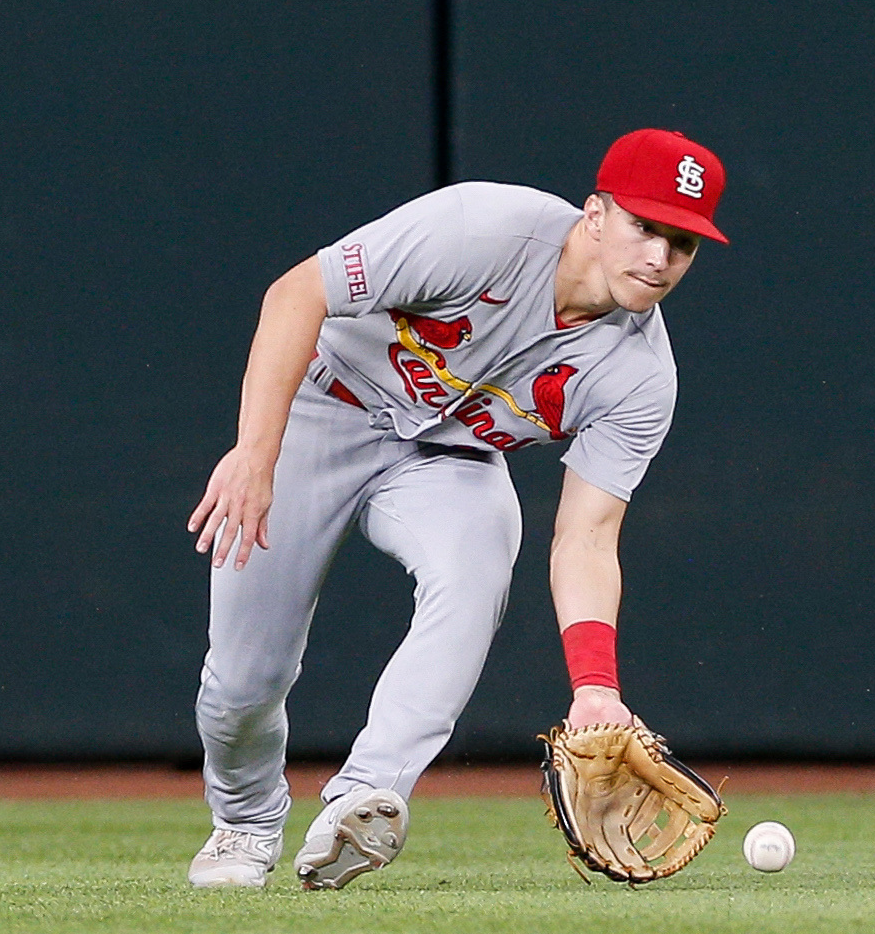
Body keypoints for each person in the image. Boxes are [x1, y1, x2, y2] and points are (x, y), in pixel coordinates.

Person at [183, 128, 729, 889]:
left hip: (449, 459)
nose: (660, 258)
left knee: (480, 559)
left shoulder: (641, 377)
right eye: (646, 227)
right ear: (596, 212)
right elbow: (297, 292)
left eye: (684, 243)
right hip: (324, 408)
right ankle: (244, 821)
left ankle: (367, 797)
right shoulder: (483, 230)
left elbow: (586, 537)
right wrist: (254, 452)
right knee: (244, 681)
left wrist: (595, 683)